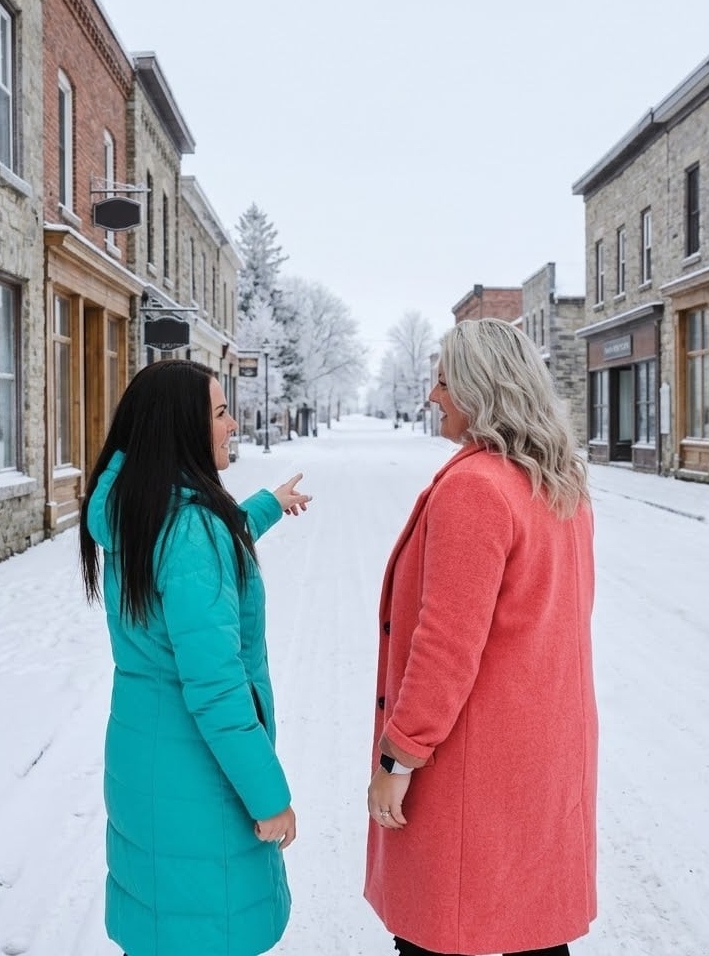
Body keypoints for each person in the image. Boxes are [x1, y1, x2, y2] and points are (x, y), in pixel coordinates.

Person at [365, 318, 597, 956]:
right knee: (531, 935)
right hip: (541, 760)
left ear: (479, 388)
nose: (431, 396)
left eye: (443, 380)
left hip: (471, 767)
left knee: (445, 934)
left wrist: (398, 758)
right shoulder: (560, 487)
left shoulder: (475, 488)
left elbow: (444, 645)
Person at [79, 360, 311, 956]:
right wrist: (269, 797)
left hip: (146, 765)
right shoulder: (189, 532)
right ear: (183, 428)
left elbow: (199, 546)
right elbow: (215, 688)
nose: (233, 424)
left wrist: (264, 506)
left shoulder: (138, 508)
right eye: (219, 412)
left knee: (161, 931)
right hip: (197, 780)